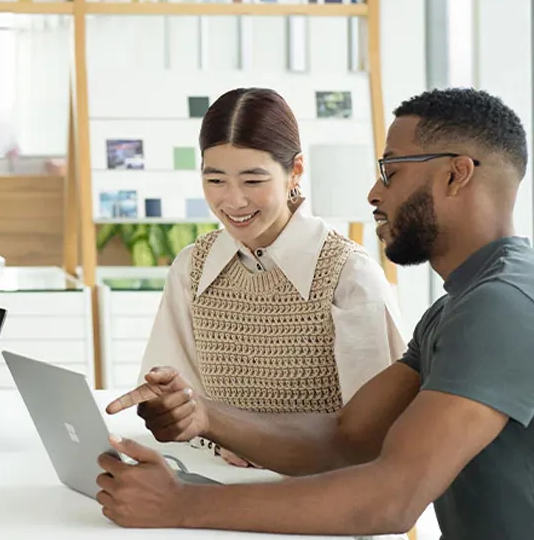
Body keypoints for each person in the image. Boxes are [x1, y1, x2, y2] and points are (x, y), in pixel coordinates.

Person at [97, 87, 534, 539]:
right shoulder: (456, 307)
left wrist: (180, 504)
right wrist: (204, 416)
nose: (374, 193)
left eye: (391, 171)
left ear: (456, 175)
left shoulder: (501, 306)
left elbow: (391, 499)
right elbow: (348, 439)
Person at [138, 87, 406, 467]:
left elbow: (375, 432)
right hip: (219, 481)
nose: (234, 201)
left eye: (253, 181)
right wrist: (201, 433)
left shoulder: (348, 275)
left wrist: (255, 444)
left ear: (295, 171)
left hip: (320, 488)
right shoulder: (192, 268)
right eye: (216, 181)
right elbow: (176, 406)